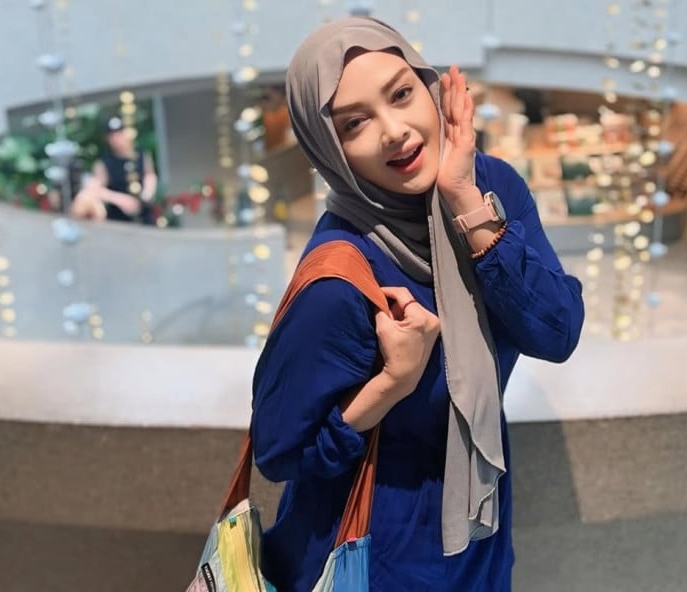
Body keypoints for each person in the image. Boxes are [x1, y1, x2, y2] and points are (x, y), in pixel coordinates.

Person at [250, 16, 584, 591]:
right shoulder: (342, 276)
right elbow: (279, 454)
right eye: (355, 123)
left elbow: (556, 332)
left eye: (401, 94)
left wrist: (467, 207)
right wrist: (391, 384)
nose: (396, 131)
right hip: (373, 555)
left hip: (478, 535)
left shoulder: (489, 187)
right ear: (329, 150)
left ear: (429, 87)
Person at [71, 117, 158, 224]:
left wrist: (147, 194)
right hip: (118, 219)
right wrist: (119, 199)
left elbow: (149, 175)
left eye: (119, 134)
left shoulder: (141, 155)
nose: (116, 139)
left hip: (144, 215)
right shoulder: (104, 163)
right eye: (112, 136)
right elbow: (94, 189)